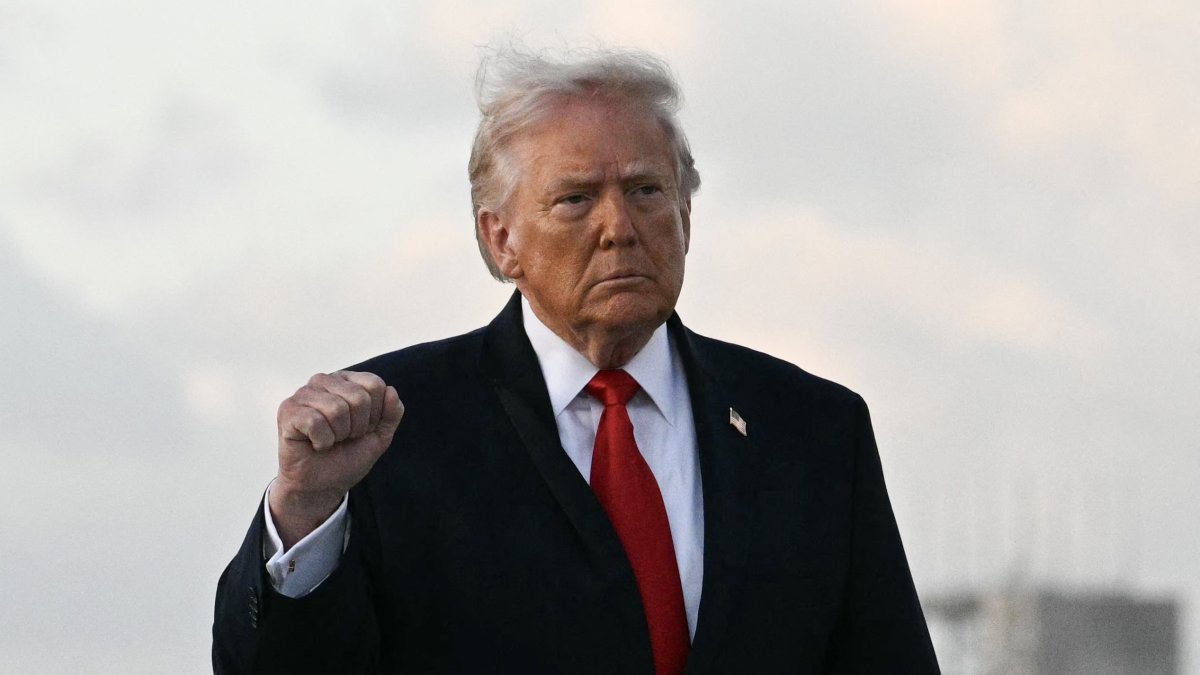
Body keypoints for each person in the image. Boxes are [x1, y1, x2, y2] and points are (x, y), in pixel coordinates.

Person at [213, 47, 940, 674]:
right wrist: (305, 513)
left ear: (687, 215)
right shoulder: (388, 431)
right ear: (501, 240)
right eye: (575, 199)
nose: (619, 227)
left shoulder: (812, 430)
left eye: (647, 190)